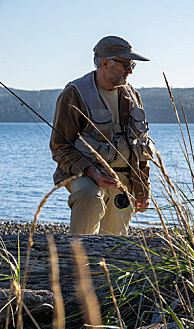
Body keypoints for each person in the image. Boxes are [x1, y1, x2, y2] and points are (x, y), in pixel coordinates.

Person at [50, 36, 155, 235]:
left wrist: (142, 190)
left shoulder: (133, 97)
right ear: (106, 63)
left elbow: (139, 146)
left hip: (123, 181)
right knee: (90, 196)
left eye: (132, 65)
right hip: (85, 175)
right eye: (126, 64)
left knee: (114, 250)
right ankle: (78, 262)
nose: (130, 70)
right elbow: (60, 147)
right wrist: (92, 173)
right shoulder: (74, 93)